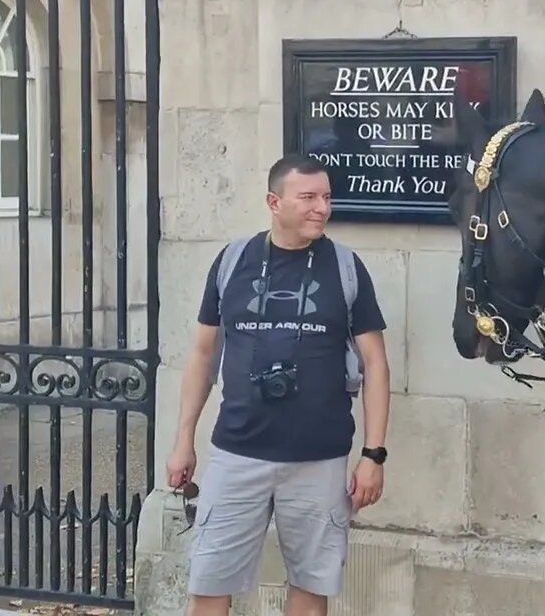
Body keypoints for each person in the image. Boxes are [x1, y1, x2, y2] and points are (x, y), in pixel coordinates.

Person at [166, 154, 392, 616]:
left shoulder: (346, 269)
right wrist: (182, 441)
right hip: (237, 452)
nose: (321, 208)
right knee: (209, 584)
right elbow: (203, 355)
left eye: (326, 197)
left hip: (319, 459)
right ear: (274, 201)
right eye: (308, 197)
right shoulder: (233, 261)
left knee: (311, 589)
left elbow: (376, 364)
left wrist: (373, 455)